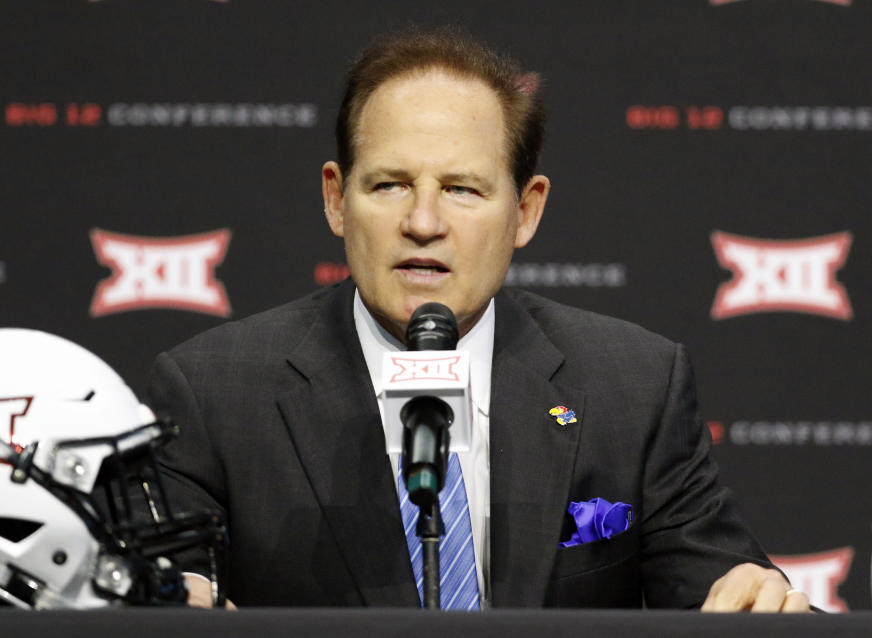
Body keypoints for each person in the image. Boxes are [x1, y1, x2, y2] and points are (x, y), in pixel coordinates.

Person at [149, 28, 810, 612]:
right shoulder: (213, 394)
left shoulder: (633, 388)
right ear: (336, 199)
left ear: (525, 210)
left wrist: (767, 609)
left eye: (462, 189)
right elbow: (162, 597)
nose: (424, 223)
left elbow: (731, 598)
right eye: (389, 185)